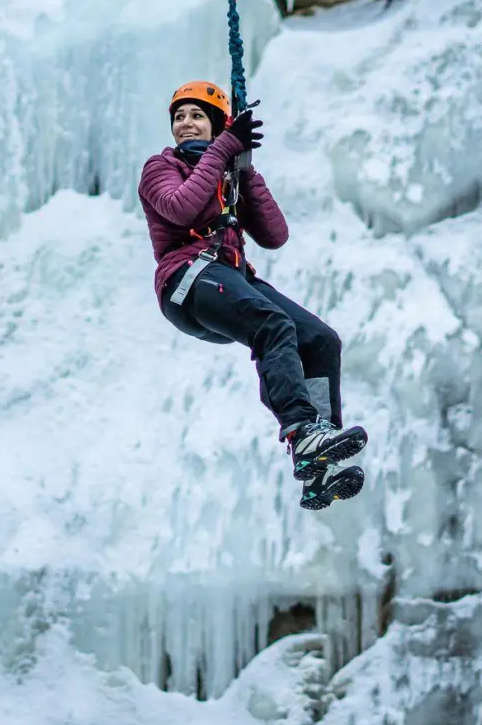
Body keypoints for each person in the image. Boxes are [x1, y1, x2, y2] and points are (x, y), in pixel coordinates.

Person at [139, 81, 368, 510]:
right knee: (272, 324)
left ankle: (320, 461)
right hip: (186, 277)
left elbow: (274, 235)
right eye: (179, 117)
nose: (185, 124)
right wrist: (224, 149)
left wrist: (244, 170)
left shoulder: (228, 174)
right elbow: (181, 208)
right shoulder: (160, 167)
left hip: (228, 274)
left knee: (320, 340)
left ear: (215, 123)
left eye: (196, 116)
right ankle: (302, 432)